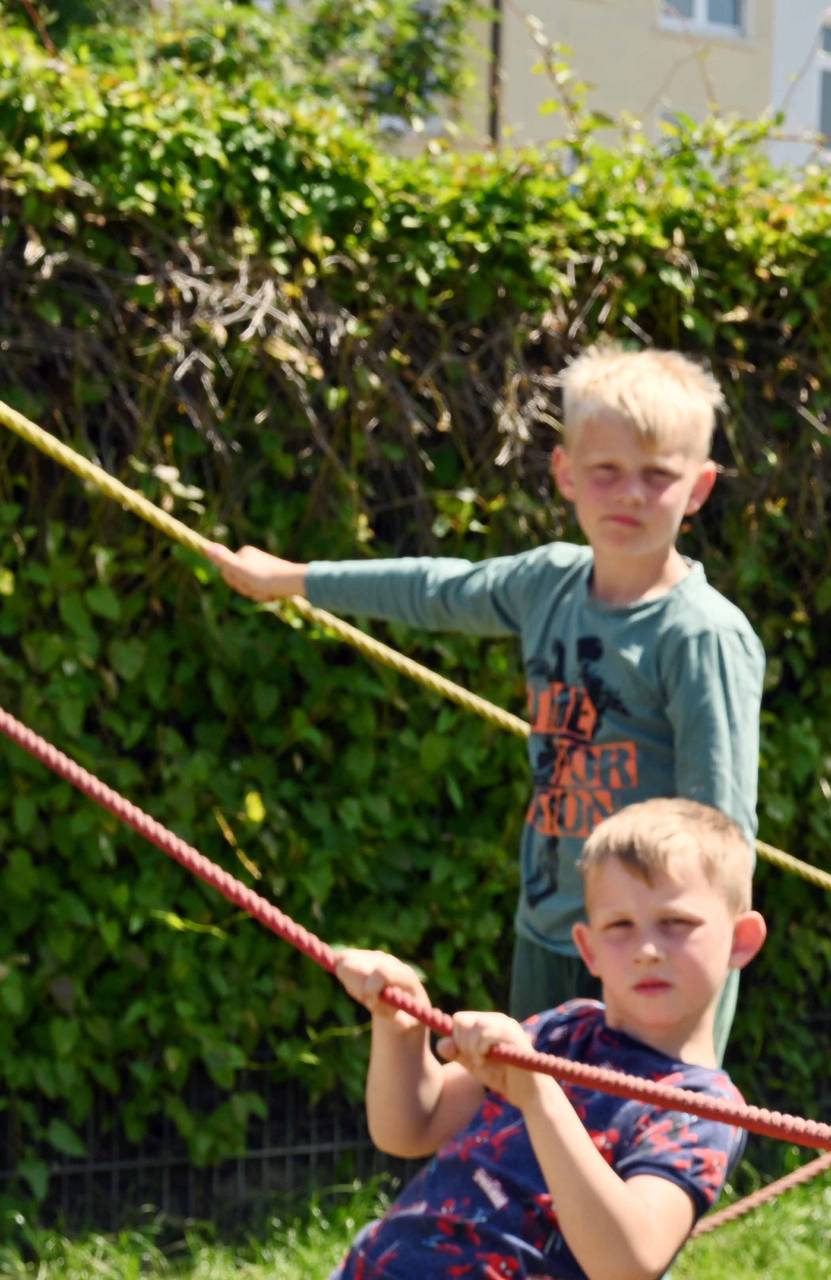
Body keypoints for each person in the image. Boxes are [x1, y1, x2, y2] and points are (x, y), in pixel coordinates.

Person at [206, 348, 765, 1059]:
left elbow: (723, 822)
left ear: (699, 487)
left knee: (644, 1150)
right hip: (552, 927)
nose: (629, 494)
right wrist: (294, 579)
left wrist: (705, 982)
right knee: (533, 1134)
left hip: (650, 954)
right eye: (606, 472)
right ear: (565, 473)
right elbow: (435, 588)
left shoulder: (701, 635)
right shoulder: (548, 583)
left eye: (657, 476)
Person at [331, 798, 765, 1279]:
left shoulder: (700, 1108)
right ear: (588, 948)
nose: (646, 950)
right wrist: (399, 1026)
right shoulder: (564, 1029)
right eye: (619, 926)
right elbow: (411, 1127)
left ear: (740, 939)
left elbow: (629, 1265)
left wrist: (539, 1097)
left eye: (676, 923)